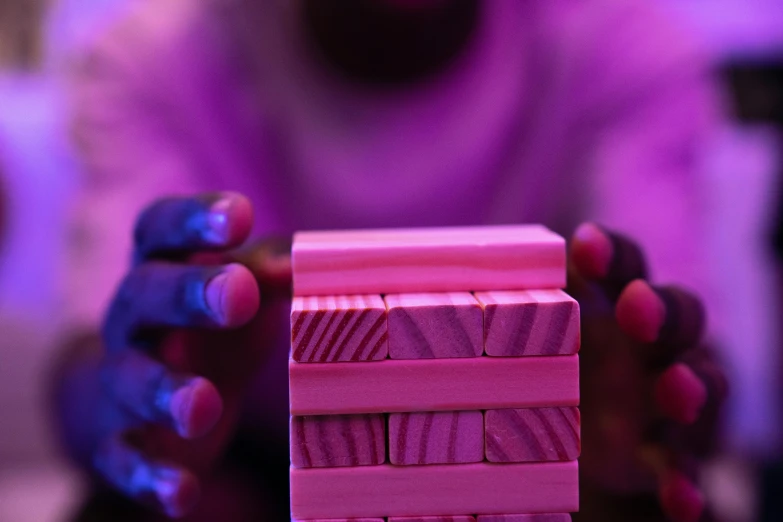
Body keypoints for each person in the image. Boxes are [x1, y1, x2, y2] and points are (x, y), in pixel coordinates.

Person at [50, 1, 728, 521]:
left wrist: (649, 403)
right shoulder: (158, 61)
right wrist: (131, 401)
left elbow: (683, 363)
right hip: (249, 469)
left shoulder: (616, 46)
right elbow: (92, 376)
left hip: (541, 471)